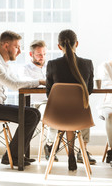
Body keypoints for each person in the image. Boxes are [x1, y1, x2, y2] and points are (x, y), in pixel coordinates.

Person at [0, 30, 45, 167]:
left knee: (34, 113)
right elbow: (14, 85)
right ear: (6, 46)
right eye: (17, 47)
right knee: (31, 115)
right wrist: (40, 81)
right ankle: (12, 156)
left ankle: (17, 155)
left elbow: (17, 80)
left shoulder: (3, 64)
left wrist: (36, 81)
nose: (19, 51)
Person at [45, 29, 96, 171]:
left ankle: (70, 153)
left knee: (66, 115)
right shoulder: (87, 64)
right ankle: (73, 153)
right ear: (77, 44)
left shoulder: (52, 64)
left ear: (59, 46)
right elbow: (89, 90)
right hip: (80, 117)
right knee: (79, 109)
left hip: (58, 116)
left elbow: (49, 94)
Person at [22, 40, 58, 162]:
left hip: (52, 102)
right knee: (53, 116)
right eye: (39, 54)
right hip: (35, 104)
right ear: (31, 54)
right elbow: (24, 82)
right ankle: (49, 146)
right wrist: (42, 81)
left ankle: (49, 145)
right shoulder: (25, 69)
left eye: (44, 54)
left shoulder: (51, 66)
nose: (42, 57)